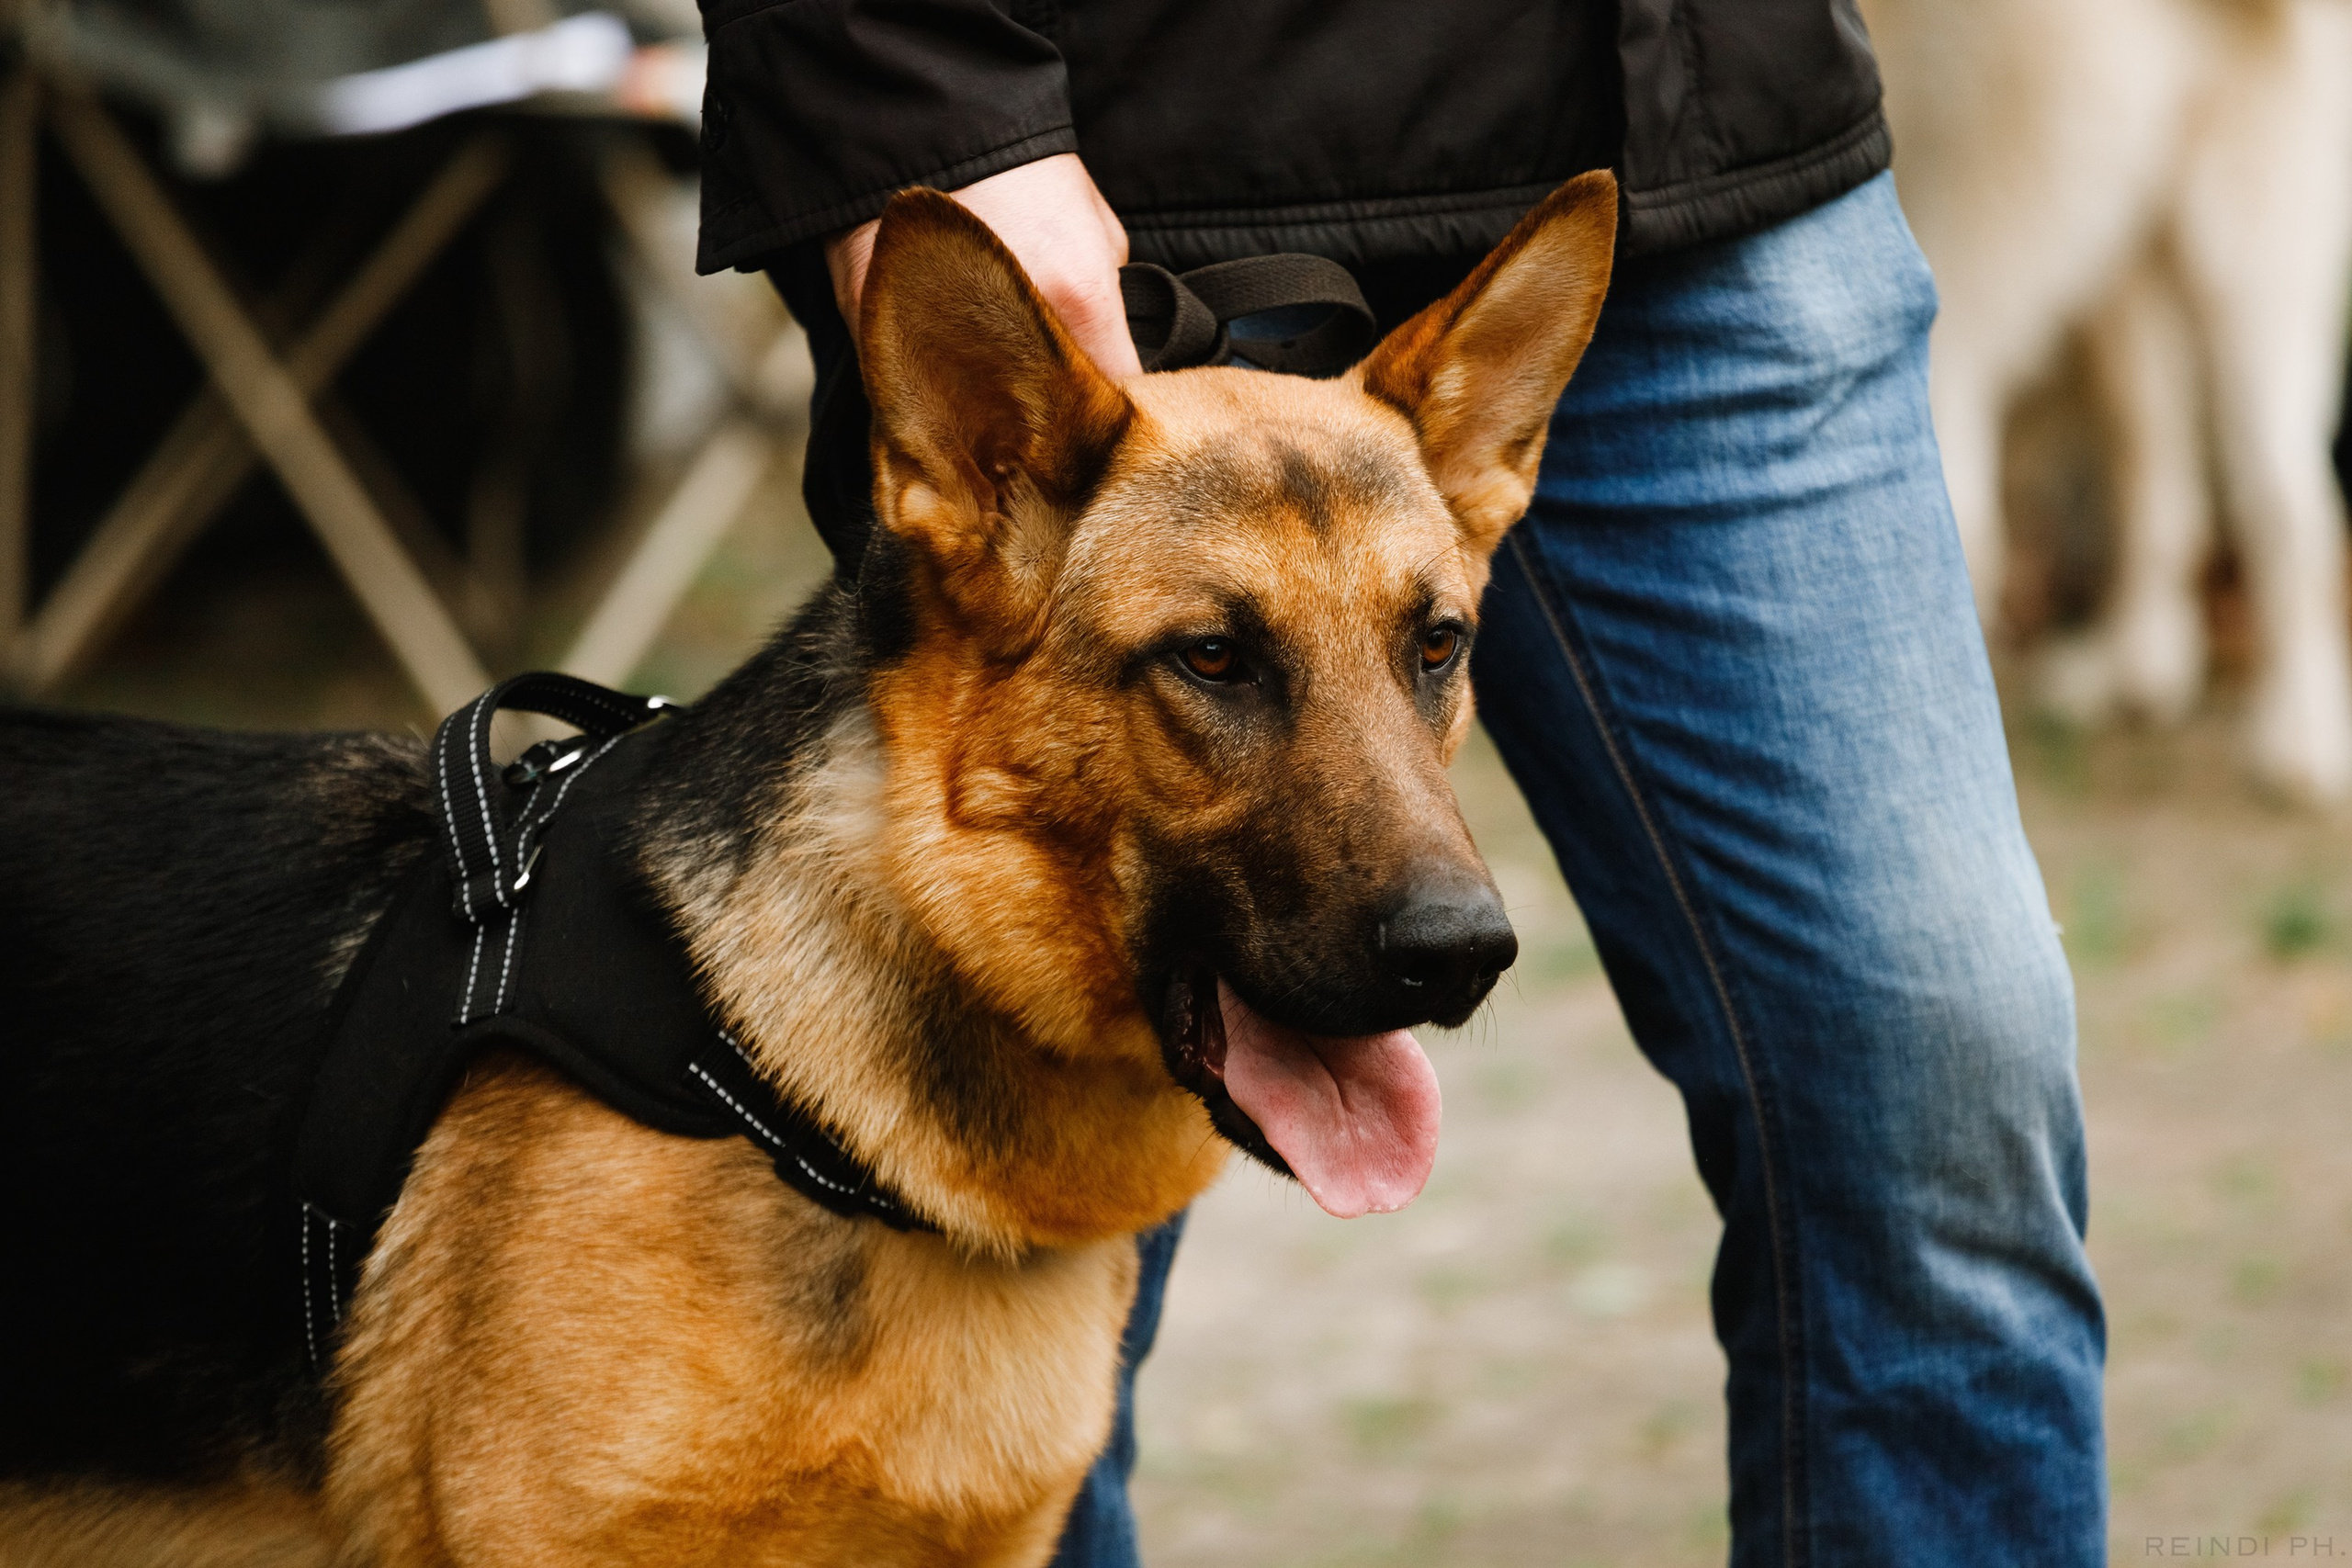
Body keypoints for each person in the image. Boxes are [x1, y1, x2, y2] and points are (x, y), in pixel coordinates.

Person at [691, 4, 2109, 1562]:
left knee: (1941, 1058)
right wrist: (923, 121)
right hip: (1107, 184)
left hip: (1698, 140)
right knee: (980, 1288)